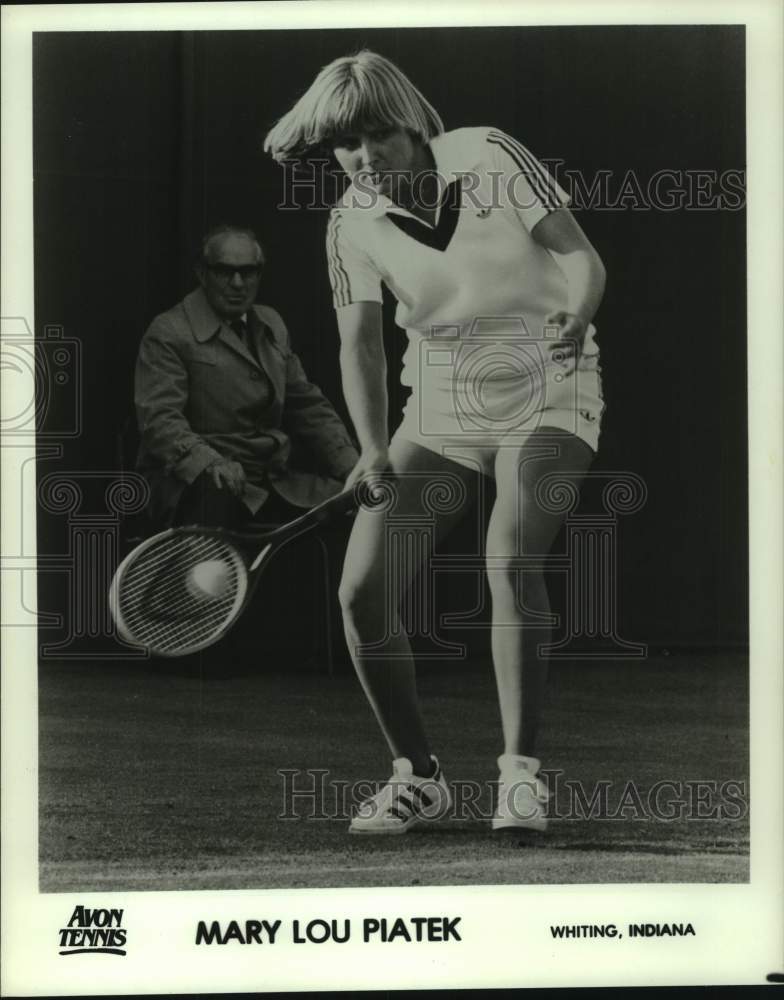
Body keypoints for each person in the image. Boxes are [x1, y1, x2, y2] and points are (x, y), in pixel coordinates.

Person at [264, 51, 606, 835]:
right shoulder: (349, 223)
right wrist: (374, 445)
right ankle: (418, 777)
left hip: (550, 381)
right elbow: (361, 347)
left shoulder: (487, 152)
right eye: (346, 145)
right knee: (361, 592)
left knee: (512, 556)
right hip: (443, 407)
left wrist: (578, 315)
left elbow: (581, 255)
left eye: (378, 135)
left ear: (413, 124)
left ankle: (521, 779)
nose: (364, 157)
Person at [135, 225, 358, 532]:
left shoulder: (271, 323)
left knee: (358, 505)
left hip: (272, 480)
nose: (238, 283)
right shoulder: (169, 331)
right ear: (202, 273)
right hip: (195, 483)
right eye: (224, 272)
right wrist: (210, 463)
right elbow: (159, 421)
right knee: (216, 537)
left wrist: (352, 464)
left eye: (248, 272)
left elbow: (307, 405)